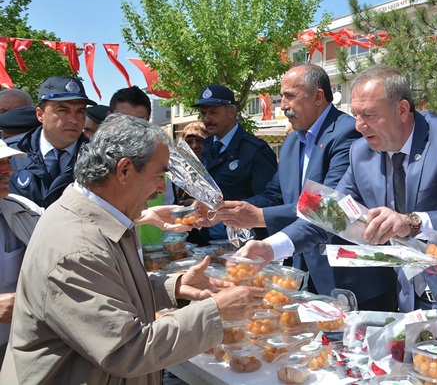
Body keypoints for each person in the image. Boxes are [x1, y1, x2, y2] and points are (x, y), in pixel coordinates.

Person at [0, 114, 264, 383]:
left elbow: (108, 288)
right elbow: (128, 350)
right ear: (124, 170)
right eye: (160, 174)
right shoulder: (78, 247)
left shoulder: (101, 218)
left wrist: (171, 287)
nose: (162, 187)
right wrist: (216, 311)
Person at [238, 65, 437, 312]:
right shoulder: (361, 151)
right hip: (409, 297)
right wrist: (271, 247)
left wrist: (412, 222)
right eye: (357, 114)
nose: (359, 126)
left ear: (402, 109)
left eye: (369, 115)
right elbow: (329, 214)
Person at [215, 64, 396, 309]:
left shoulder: (349, 134)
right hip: (301, 274)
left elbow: (329, 205)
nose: (283, 106)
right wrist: (229, 211)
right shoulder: (291, 142)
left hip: (351, 282)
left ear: (318, 97)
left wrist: (260, 217)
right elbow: (275, 194)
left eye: (290, 96)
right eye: (282, 97)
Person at [193, 84, 277, 242]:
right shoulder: (206, 147)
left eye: (213, 112)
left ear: (231, 112)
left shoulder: (255, 150)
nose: (207, 119)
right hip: (207, 241)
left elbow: (271, 199)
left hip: (246, 243)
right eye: (203, 113)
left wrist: (228, 209)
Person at [8, 76, 95, 208]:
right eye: (63, 110)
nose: (73, 120)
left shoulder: (99, 158)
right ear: (40, 114)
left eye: (80, 111)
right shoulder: (11, 153)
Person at [110, 86, 173, 245]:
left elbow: (168, 203)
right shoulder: (93, 166)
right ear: (109, 119)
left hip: (155, 255)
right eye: (124, 120)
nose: (130, 131)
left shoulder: (160, 162)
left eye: (139, 122)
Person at [0, 139, 42, 366]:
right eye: (0, 163)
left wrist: (139, 217)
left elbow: (72, 231)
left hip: (20, 348)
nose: (9, 170)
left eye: (7, 161)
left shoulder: (24, 210)